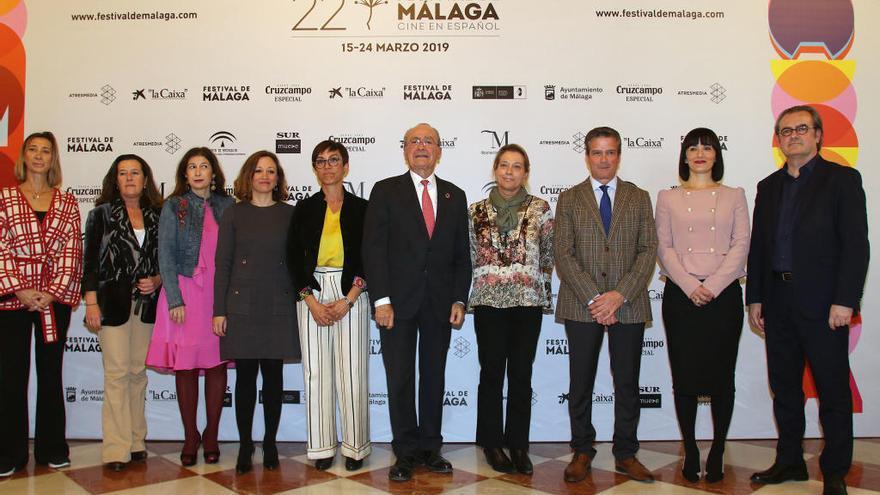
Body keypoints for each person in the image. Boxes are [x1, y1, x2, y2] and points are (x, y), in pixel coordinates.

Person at [747, 105, 869, 495]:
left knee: (833, 391)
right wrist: (756, 298)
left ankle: (835, 472)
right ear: (778, 140)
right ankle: (789, 462)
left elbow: (855, 247)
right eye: (785, 131)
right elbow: (759, 249)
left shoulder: (842, 180)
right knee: (784, 388)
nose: (793, 135)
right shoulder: (768, 186)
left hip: (824, 304)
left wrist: (845, 300)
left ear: (818, 135)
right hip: (777, 300)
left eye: (801, 128)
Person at [362, 123, 472, 482]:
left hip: (440, 303)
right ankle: (406, 452)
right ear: (404, 150)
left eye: (429, 142)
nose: (422, 147)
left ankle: (430, 448)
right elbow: (373, 251)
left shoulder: (455, 196)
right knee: (400, 378)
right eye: (414, 141)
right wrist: (381, 299)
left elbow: (461, 255)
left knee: (434, 377)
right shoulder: (385, 191)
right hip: (396, 303)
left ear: (440, 151)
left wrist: (459, 297)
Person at [555, 126, 658, 484]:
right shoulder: (569, 198)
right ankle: (582, 449)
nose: (604, 159)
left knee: (628, 382)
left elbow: (648, 251)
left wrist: (619, 295)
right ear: (587, 155)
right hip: (581, 304)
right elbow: (563, 254)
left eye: (610, 152)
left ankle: (626, 452)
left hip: (627, 304)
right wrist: (595, 298)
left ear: (619, 155)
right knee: (580, 381)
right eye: (597, 153)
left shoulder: (639, 196)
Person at [655, 128, 750, 483]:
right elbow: (664, 248)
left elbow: (741, 244)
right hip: (681, 296)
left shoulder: (734, 195)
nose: (699, 153)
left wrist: (710, 286)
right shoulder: (667, 197)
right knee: (685, 377)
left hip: (723, 296)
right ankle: (692, 448)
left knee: (722, 376)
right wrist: (692, 285)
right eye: (692, 147)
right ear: (683, 155)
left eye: (707, 147)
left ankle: (719, 447)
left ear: (716, 155)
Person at [467, 144, 554, 475]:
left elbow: (547, 256)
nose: (509, 172)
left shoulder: (541, 209)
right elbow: (471, 253)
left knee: (521, 374)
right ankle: (491, 443)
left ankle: (518, 444)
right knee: (491, 374)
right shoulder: (474, 211)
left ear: (526, 173)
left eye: (517, 167)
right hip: (489, 304)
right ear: (494, 170)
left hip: (527, 304)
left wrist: (527, 281)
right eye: (504, 165)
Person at [0, 132, 82, 476]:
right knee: (9, 376)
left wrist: (50, 291)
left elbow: (72, 251)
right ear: (24, 156)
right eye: (32, 149)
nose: (38, 155)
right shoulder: (4, 198)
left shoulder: (66, 202)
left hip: (53, 300)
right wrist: (19, 289)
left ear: (53, 159)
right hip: (12, 299)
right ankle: (9, 453)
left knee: (51, 374)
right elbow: (1, 247)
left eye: (45, 150)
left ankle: (52, 447)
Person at [213, 150, 300, 475]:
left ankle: (271, 442)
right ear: (249, 177)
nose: (265, 176)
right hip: (242, 307)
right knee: (246, 379)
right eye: (259, 171)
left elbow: (297, 263)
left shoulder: (290, 214)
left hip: (278, 305)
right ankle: (246, 443)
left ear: (278, 178)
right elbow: (223, 265)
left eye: (271, 171)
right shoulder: (234, 214)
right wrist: (219, 310)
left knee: (274, 379)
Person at [146, 147, 233, 466]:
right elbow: (164, 254)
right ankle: (189, 436)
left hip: (218, 295)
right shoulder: (174, 206)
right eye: (192, 167)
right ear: (185, 174)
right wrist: (174, 298)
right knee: (185, 366)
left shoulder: (228, 205)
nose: (198, 171)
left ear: (214, 173)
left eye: (204, 166)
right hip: (183, 293)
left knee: (215, 364)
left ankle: (211, 435)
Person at [287, 140, 371, 472]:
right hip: (313, 293)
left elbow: (370, 256)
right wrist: (309, 299)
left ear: (345, 167)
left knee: (352, 373)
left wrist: (350, 297)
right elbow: (292, 258)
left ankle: (355, 447)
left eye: (333, 160)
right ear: (315, 168)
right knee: (316, 372)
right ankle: (321, 446)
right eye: (320, 161)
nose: (327, 166)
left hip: (353, 293)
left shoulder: (363, 209)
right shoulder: (304, 209)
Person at [82, 154, 163, 472]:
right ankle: (115, 448)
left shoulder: (157, 215)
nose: (129, 178)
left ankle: (135, 440)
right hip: (111, 304)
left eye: (135, 172)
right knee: (116, 375)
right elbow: (89, 262)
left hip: (146, 306)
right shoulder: (100, 214)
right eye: (123, 173)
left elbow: (162, 259)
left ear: (146, 179)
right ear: (115, 180)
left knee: (137, 373)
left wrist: (157, 280)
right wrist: (91, 303)